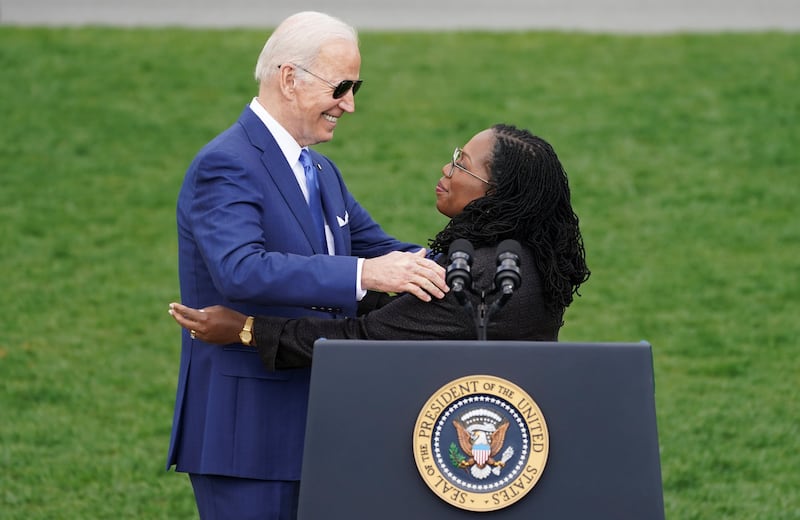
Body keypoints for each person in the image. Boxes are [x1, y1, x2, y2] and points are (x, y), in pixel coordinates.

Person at [166, 11, 449, 520]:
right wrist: (364, 274)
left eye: (355, 87)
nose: (351, 104)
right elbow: (239, 269)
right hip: (246, 435)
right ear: (289, 79)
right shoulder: (226, 163)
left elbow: (387, 250)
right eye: (341, 87)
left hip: (317, 423)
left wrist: (478, 257)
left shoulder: (318, 168)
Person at [169, 123, 591, 373]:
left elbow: (366, 339)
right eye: (455, 155)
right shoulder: (521, 256)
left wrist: (246, 330)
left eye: (462, 165)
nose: (447, 168)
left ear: (498, 194)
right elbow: (417, 321)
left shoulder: (480, 276)